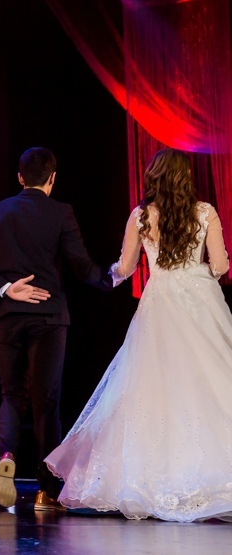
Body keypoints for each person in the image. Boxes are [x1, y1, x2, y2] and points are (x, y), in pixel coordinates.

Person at [46, 149, 232, 522]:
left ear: (154, 178)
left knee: (152, 387)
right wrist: (200, 274)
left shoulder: (142, 216)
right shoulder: (205, 212)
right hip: (200, 303)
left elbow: (127, 267)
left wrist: (106, 277)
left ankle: (152, 479)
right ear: (185, 178)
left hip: (159, 304)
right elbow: (220, 265)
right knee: (208, 381)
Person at [0, 147, 108, 511]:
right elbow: (81, 265)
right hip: (48, 318)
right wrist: (112, 278)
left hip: (6, 316)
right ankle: (47, 490)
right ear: (52, 178)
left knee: (12, 394)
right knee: (47, 403)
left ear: (20, 177)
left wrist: (6, 288)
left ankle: (6, 456)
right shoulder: (60, 212)